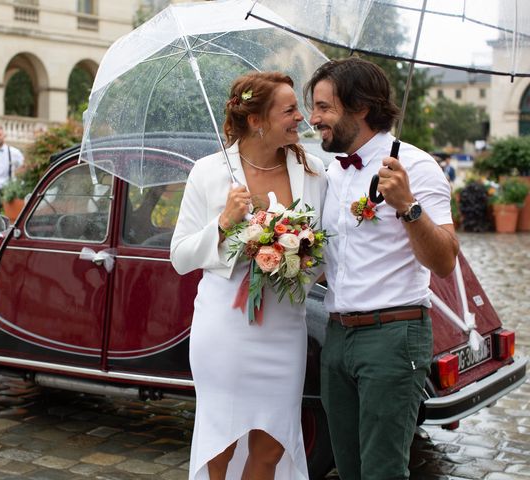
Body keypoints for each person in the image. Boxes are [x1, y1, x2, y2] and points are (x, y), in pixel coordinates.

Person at [304, 57, 459, 480]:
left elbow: (444, 260)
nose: (314, 118)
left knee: (384, 470)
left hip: (393, 337)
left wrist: (407, 207)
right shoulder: (330, 175)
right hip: (337, 335)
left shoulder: (417, 166)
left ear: (361, 108)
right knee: (349, 467)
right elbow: (325, 258)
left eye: (323, 107)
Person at [171, 72, 327, 480]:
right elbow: (180, 256)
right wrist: (223, 223)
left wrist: (298, 263)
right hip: (225, 331)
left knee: (272, 446)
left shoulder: (313, 173)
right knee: (219, 443)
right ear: (257, 120)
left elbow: (326, 247)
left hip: (284, 329)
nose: (302, 117)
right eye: (290, 110)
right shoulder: (207, 173)